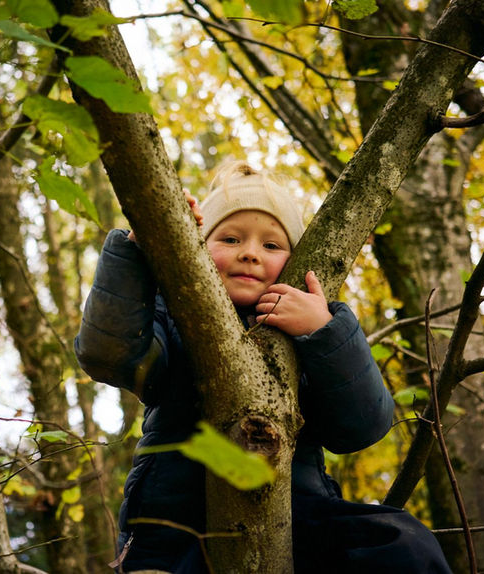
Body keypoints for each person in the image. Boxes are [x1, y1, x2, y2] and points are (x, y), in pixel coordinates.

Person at [75, 161, 450, 573]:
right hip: (177, 532)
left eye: (271, 245)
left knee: (406, 543)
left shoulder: (314, 327)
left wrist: (323, 331)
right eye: (230, 238)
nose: (250, 253)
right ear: (195, 248)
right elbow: (110, 355)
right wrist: (138, 250)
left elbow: (363, 425)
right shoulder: (169, 314)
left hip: (297, 518)